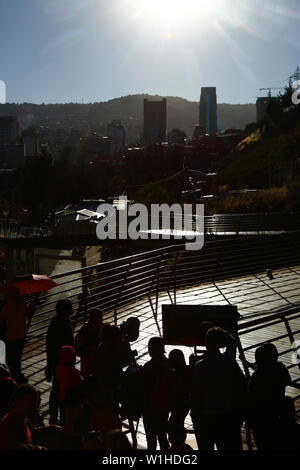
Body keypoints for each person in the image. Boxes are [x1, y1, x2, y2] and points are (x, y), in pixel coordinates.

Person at [191, 327, 247, 451]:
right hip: (226, 416)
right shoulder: (228, 361)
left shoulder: (199, 367)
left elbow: (196, 395)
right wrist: (223, 332)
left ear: (206, 344)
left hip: (206, 418)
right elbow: (233, 342)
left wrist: (195, 417)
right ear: (221, 343)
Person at [248, 342, 292, 450]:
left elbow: (251, 396)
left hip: (262, 418)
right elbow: (287, 380)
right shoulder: (280, 368)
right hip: (278, 412)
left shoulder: (257, 376)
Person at [140, 337, 172, 451]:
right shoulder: (169, 364)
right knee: (163, 436)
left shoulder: (148, 367)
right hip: (164, 405)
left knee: (151, 439)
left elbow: (144, 389)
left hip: (150, 407)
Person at [45, 299, 74, 425]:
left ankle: (54, 416)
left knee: (57, 389)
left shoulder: (59, 323)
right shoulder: (62, 325)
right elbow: (52, 348)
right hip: (61, 362)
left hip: (62, 361)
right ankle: (59, 417)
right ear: (66, 311)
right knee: (60, 389)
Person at [0, 285, 35, 382]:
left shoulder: (21, 304)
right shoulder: (6, 306)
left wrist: (31, 308)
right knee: (13, 359)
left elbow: (27, 315)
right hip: (11, 337)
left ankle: (16, 376)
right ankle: (16, 376)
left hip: (19, 336)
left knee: (17, 357)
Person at [0, 384, 44, 450]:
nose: (35, 407)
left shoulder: (24, 419)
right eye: (30, 403)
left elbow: (34, 431)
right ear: (18, 402)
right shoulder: (9, 423)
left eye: (36, 403)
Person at [55, 346, 82, 426]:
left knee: (63, 417)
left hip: (62, 397)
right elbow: (79, 386)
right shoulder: (75, 373)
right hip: (72, 400)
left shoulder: (58, 368)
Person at [74, 308, 104, 378]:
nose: (101, 319)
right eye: (100, 317)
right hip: (89, 354)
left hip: (89, 355)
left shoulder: (86, 327)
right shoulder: (88, 328)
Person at [168, 349, 191, 431]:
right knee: (179, 422)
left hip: (177, 404)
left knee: (174, 423)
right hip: (186, 403)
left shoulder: (172, 375)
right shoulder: (187, 371)